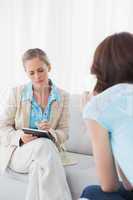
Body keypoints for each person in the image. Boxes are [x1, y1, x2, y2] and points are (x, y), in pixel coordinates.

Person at [0, 48, 72, 200]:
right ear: (26, 73)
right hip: (19, 153)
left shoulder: (63, 96)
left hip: (47, 154)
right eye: (31, 72)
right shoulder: (16, 93)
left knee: (38, 169)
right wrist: (20, 137)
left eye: (41, 70)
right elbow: (2, 127)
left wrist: (51, 131)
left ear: (49, 67)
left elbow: (65, 131)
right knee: (44, 146)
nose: (37, 76)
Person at [80, 32, 133, 200]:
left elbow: (109, 185)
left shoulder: (99, 106)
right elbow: (129, 185)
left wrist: (89, 112)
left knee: (92, 193)